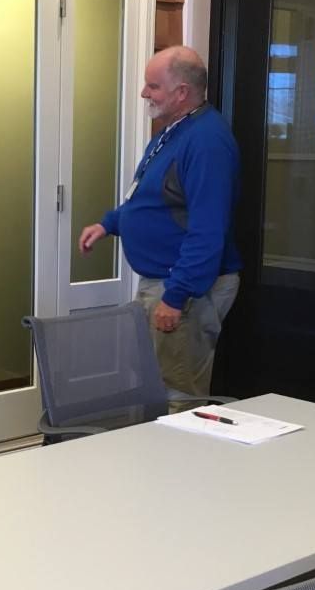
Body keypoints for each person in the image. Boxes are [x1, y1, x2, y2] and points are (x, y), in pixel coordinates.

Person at [79, 45, 241, 401]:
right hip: (165, 281)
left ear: (181, 92)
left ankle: (179, 458)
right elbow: (152, 197)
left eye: (152, 86)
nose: (143, 93)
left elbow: (207, 232)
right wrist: (110, 224)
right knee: (157, 383)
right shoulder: (174, 130)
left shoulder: (207, 142)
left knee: (178, 394)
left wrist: (176, 296)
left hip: (183, 287)